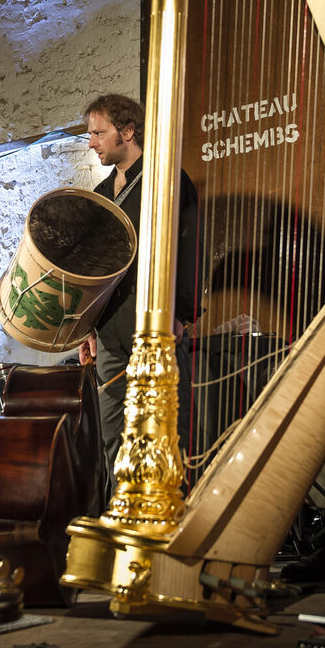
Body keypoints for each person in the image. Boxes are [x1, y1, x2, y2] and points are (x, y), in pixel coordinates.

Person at [76, 94, 199, 497]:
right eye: (90, 134)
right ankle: (120, 528)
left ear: (127, 132)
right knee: (115, 437)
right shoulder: (99, 193)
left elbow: (187, 246)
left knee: (163, 436)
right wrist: (86, 327)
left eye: (98, 133)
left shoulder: (166, 179)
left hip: (155, 327)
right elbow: (92, 270)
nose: (91, 142)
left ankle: (166, 530)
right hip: (110, 335)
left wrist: (180, 314)